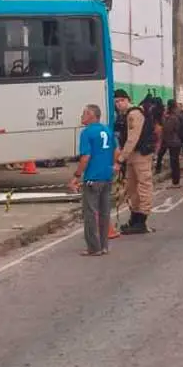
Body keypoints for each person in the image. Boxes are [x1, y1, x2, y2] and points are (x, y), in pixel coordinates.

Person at [69, 104, 115, 256]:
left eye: (84, 113)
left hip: (93, 178)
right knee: (104, 213)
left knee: (90, 214)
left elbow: (86, 157)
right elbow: (116, 151)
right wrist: (113, 166)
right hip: (107, 177)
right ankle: (104, 246)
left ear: (91, 115)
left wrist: (76, 176)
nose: (82, 116)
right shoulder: (107, 130)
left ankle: (93, 247)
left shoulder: (87, 132)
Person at [113, 89, 155, 233]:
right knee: (132, 188)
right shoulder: (125, 115)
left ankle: (142, 220)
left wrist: (120, 159)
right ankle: (135, 217)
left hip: (140, 154)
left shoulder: (134, 114)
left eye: (121, 101)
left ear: (127, 100)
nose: (119, 104)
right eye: (116, 102)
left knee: (143, 186)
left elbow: (132, 138)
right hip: (133, 155)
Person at [161, 100, 183, 187]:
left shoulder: (172, 117)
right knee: (175, 162)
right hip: (176, 141)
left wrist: (164, 120)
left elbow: (168, 129)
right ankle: (176, 181)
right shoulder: (177, 115)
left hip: (173, 142)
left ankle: (175, 182)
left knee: (174, 162)